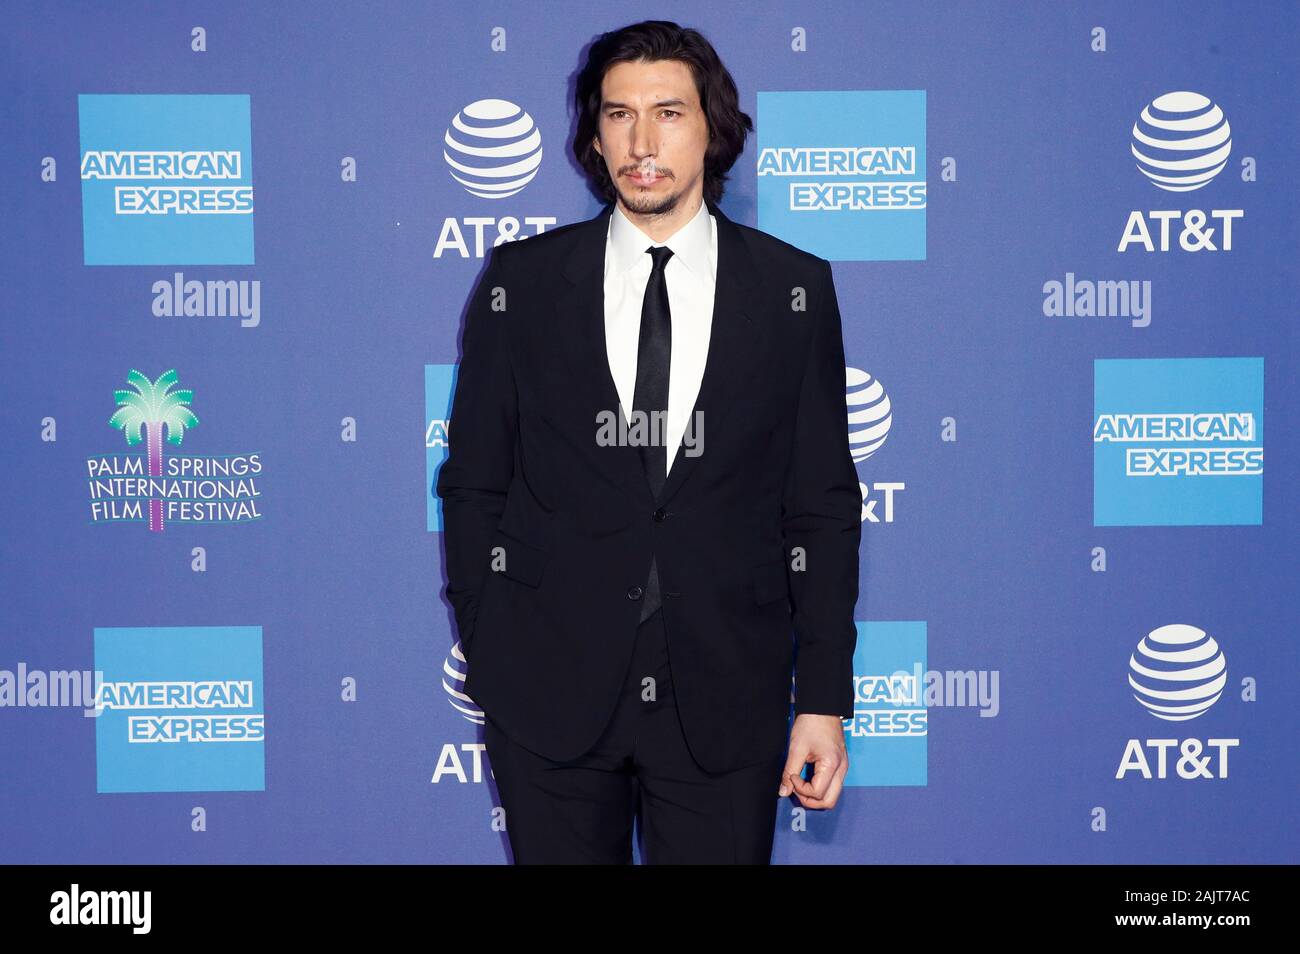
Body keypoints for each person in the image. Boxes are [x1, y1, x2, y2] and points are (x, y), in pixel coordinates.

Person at [436, 19, 860, 864]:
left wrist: (821, 698)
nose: (640, 141)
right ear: (593, 137)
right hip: (549, 692)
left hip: (726, 692)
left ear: (714, 127)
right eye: (617, 115)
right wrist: (492, 644)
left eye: (667, 112)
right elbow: (475, 482)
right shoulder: (522, 283)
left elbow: (820, 505)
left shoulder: (792, 292)